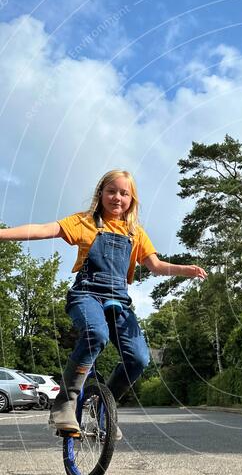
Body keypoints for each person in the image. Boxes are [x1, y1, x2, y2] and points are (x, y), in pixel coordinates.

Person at [0, 169, 207, 438]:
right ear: (101, 194)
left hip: (119, 301)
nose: (117, 197)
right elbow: (43, 229)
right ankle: (64, 404)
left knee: (139, 359)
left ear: (132, 200)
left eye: (124, 193)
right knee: (96, 334)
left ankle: (101, 410)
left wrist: (185, 269)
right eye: (111, 191)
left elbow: (155, 265)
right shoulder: (85, 222)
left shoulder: (136, 233)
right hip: (86, 295)